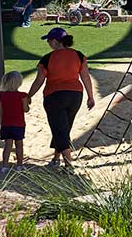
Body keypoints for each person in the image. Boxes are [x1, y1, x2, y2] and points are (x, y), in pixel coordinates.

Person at [25, 27, 96, 169]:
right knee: (64, 128)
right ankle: (56, 159)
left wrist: (29, 95)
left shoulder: (47, 58)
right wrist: (90, 96)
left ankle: (69, 165)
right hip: (76, 95)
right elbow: (85, 77)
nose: (48, 44)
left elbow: (39, 80)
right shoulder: (78, 55)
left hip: (54, 96)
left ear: (56, 42)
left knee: (59, 129)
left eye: (49, 41)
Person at [0, 71, 28, 172]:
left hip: (6, 124)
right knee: (19, 145)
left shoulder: (2, 95)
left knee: (7, 146)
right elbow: (25, 109)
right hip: (18, 124)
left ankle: (5, 166)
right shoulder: (22, 96)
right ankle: (19, 164)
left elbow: (2, 111)